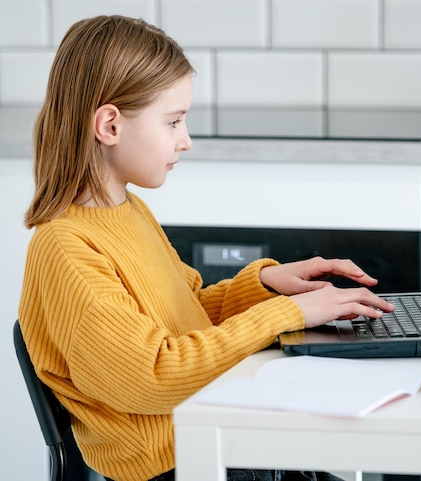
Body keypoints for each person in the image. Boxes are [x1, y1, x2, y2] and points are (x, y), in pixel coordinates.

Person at [17, 15, 394, 481]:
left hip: (209, 440)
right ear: (110, 125)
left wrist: (265, 286)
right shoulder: (66, 248)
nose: (186, 139)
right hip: (179, 466)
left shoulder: (128, 211)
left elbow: (186, 312)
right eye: (173, 121)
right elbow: (154, 375)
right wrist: (289, 315)